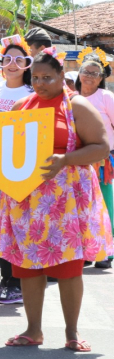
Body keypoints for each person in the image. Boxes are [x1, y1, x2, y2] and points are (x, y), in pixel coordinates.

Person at [0, 48, 113, 351]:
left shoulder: (77, 105)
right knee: (28, 267)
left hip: (66, 202)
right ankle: (33, 330)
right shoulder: (22, 105)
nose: (40, 83)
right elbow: (7, 149)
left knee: (68, 268)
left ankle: (72, 333)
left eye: (47, 77)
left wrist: (66, 159)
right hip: (26, 201)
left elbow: (101, 148)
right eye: (35, 77)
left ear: (63, 76)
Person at [0, 35, 34, 304]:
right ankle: (5, 278)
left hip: (18, 166)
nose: (12, 64)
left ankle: (17, 283)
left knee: (14, 225)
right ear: (1, 62)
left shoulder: (31, 94)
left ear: (27, 64)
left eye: (19, 59)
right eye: (8, 59)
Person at [74, 48, 114, 269]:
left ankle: (105, 252)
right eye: (85, 72)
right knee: (83, 207)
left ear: (101, 78)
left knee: (104, 205)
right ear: (79, 74)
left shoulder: (107, 98)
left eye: (94, 73)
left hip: (102, 160)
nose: (89, 76)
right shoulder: (73, 97)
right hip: (79, 160)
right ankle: (88, 250)